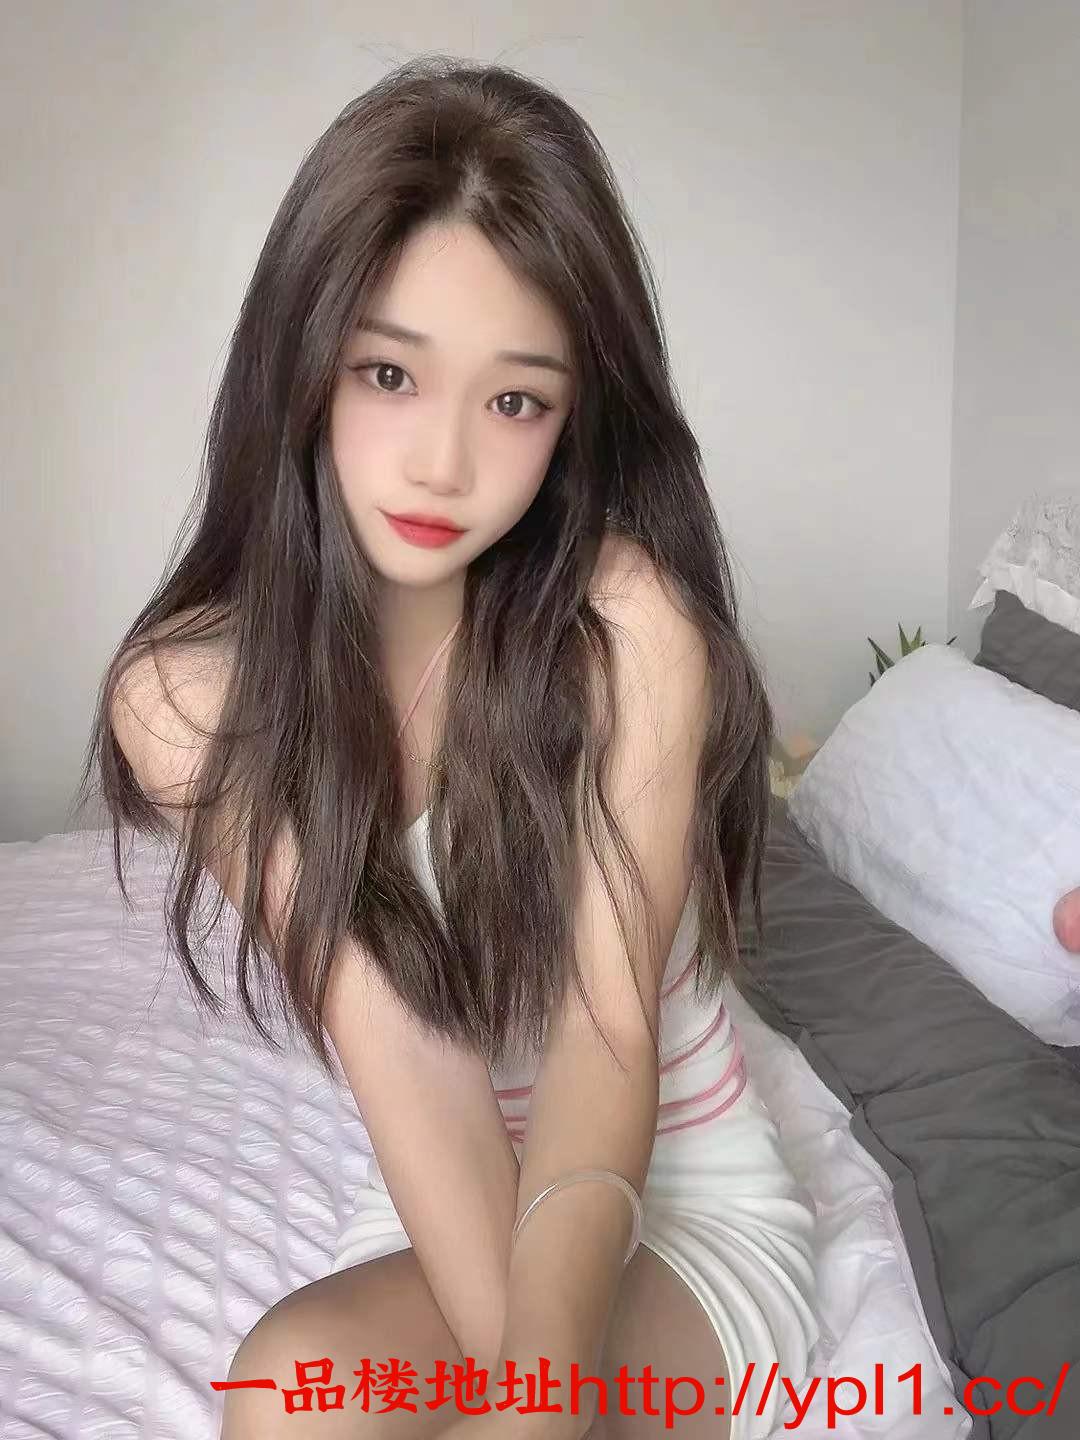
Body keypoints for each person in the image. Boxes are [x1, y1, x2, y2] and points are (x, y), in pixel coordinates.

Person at [81, 56, 820, 1440]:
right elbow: (407, 1058)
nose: (442, 465)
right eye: (389, 374)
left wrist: (539, 1400)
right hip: (443, 1183)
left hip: (675, 1199)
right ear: (301, 364)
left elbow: (604, 1044)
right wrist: (533, 1398)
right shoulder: (185, 699)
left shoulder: (628, 630)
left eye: (514, 401)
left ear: (575, 415)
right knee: (282, 1400)